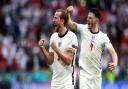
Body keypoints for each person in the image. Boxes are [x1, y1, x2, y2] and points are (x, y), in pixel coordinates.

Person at [66, 6, 118, 89]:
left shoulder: (103, 37)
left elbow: (113, 53)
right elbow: (70, 24)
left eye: (90, 18)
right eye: (87, 17)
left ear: (97, 20)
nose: (87, 19)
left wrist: (115, 63)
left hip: (96, 76)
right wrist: (68, 13)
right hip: (84, 75)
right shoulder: (83, 29)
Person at [38, 9, 78, 89]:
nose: (53, 20)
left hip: (68, 82)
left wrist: (56, 49)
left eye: (56, 18)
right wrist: (42, 49)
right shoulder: (53, 37)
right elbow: (50, 61)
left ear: (62, 21)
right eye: (53, 18)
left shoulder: (72, 37)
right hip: (55, 82)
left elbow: (68, 61)